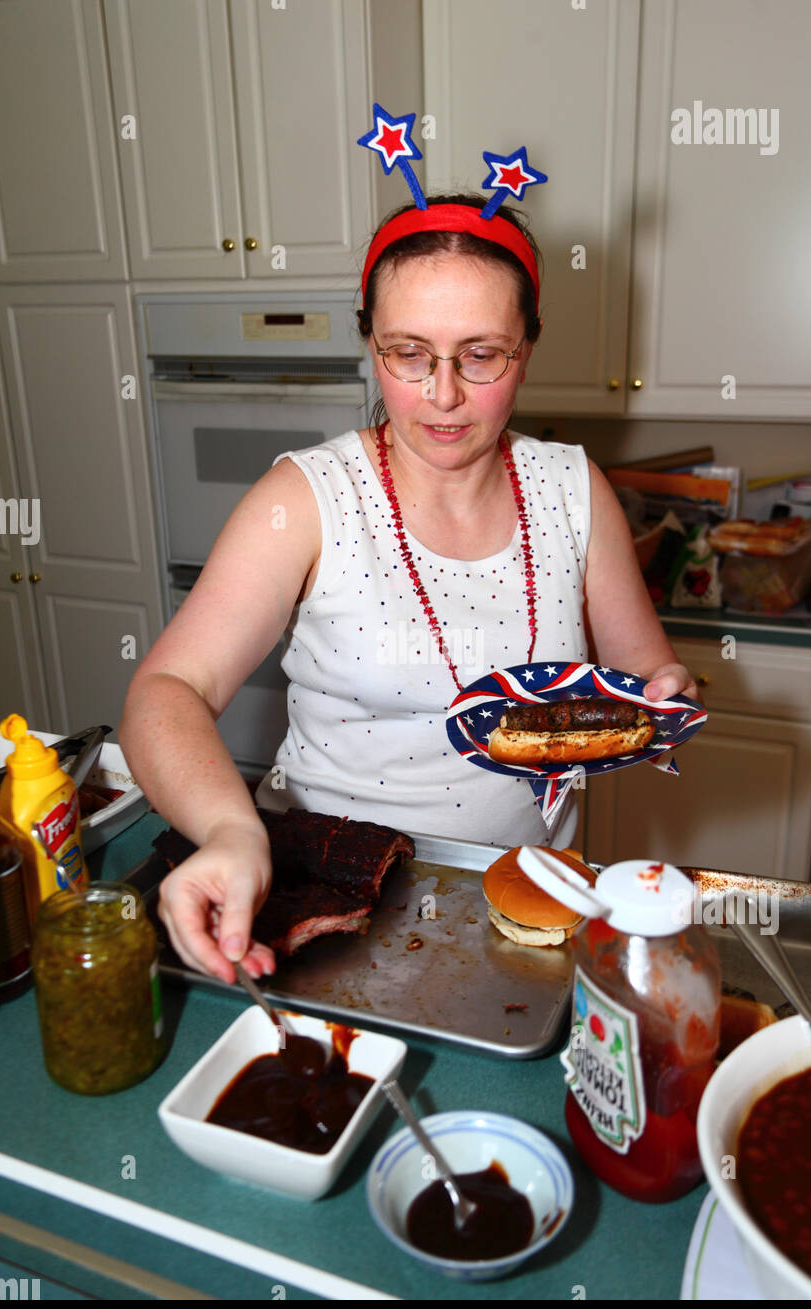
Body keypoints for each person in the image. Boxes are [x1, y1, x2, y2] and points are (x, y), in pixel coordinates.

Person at [119, 192, 696, 985]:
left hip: (523, 908)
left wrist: (662, 702)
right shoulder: (306, 501)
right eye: (409, 353)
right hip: (334, 904)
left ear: (527, 346)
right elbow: (167, 688)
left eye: (482, 353)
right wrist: (229, 830)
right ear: (370, 343)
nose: (444, 393)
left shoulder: (573, 488)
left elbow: (640, 681)